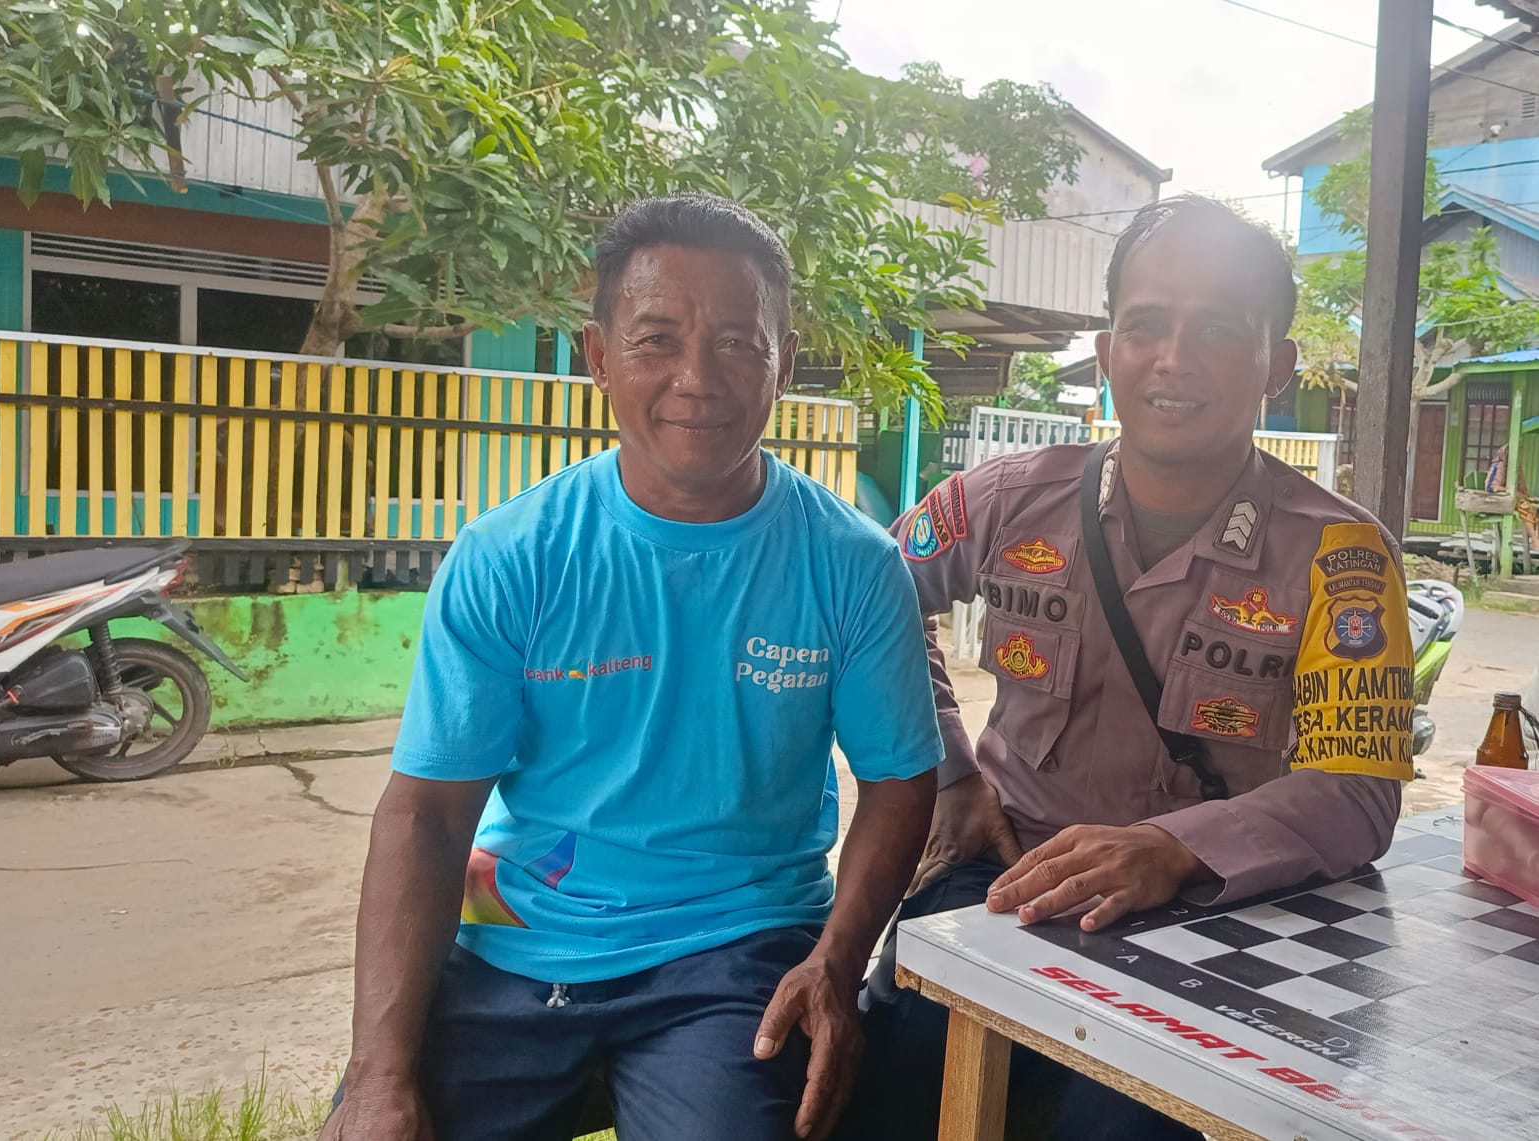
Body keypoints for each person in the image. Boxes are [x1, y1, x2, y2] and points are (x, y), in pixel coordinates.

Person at [320, 193, 941, 1141]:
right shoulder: (511, 554)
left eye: (737, 342)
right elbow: (427, 813)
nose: (698, 379)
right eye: (656, 339)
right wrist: (376, 1072)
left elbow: (899, 782)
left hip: (737, 944)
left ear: (783, 361)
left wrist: (834, 961)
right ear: (598, 356)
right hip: (520, 936)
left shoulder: (853, 564)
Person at [838, 195, 1416, 1141]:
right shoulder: (1002, 500)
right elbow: (869, 603)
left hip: (1218, 908)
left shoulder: (1342, 556)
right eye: (1145, 325)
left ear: (1276, 364)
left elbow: (1357, 789)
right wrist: (947, 767)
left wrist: (1173, 847)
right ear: (1107, 353)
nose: (1172, 359)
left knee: (1119, 1124)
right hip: (1009, 873)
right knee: (881, 1094)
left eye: (1217, 329)